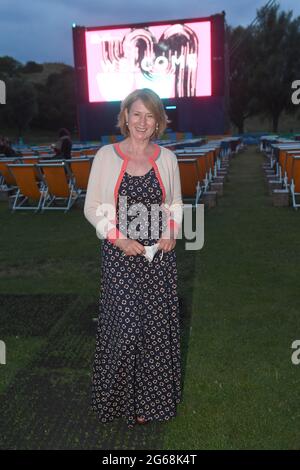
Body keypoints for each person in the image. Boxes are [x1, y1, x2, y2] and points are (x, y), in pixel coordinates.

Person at [84, 88, 183, 427]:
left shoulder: (167, 158)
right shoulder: (105, 155)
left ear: (158, 121)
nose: (142, 122)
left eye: (150, 115)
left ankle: (149, 406)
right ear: (125, 116)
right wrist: (119, 239)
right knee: (126, 330)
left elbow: (176, 204)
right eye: (136, 114)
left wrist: (171, 231)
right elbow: (92, 207)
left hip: (159, 257)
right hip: (120, 254)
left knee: (155, 331)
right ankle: (117, 403)